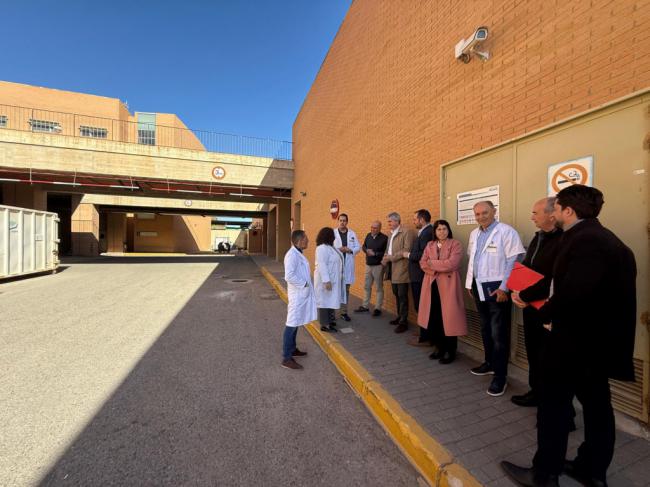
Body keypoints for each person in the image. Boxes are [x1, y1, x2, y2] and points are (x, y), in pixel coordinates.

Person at [501, 185, 637, 487]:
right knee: (598, 408)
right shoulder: (611, 241)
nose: (555, 213)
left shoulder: (584, 241)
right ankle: (590, 469)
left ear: (568, 211)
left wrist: (545, 315)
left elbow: (573, 293)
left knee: (554, 407)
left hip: (573, 345)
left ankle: (544, 474)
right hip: (597, 347)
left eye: (558, 208)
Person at [465, 200, 524, 396]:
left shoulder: (506, 231)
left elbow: (514, 261)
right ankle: (489, 363)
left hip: (497, 288)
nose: (481, 217)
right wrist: (469, 284)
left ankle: (500, 377)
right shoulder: (474, 233)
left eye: (484, 212)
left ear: (494, 211)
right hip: (478, 285)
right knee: (485, 327)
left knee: (499, 333)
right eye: (477, 214)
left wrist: (504, 288)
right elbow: (473, 259)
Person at [510, 197, 563, 407]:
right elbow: (526, 268)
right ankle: (536, 392)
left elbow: (552, 279)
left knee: (548, 357)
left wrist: (523, 295)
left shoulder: (562, 241)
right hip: (530, 306)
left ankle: (557, 407)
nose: (531, 217)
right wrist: (516, 291)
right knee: (533, 351)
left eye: (535, 213)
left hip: (548, 309)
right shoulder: (537, 238)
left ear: (552, 215)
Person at [417, 220, 468, 363]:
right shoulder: (430, 245)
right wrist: (436, 266)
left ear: (448, 230)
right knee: (435, 317)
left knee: (449, 318)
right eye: (439, 229)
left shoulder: (455, 244)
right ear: (435, 231)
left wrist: (431, 263)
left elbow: (452, 264)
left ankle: (450, 351)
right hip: (432, 285)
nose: (442, 232)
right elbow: (422, 262)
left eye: (444, 229)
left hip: (449, 286)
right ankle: (439, 348)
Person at [282, 230, 317, 370]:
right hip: (297, 296)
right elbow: (289, 276)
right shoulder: (291, 255)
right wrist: (304, 284)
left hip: (300, 295)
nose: (308, 241)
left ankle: (293, 349)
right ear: (299, 240)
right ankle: (286, 358)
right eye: (306, 239)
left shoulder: (298, 254)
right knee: (291, 324)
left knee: (296, 323)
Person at [404, 210, 434, 346]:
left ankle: (426, 336)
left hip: (421, 276)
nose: (414, 222)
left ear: (422, 219)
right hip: (417, 275)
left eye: (415, 219)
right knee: (420, 305)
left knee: (422, 306)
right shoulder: (424, 232)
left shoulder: (428, 232)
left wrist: (408, 255)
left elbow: (423, 254)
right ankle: (423, 331)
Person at [381, 212, 414, 333]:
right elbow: (388, 249)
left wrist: (392, 257)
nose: (388, 223)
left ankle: (403, 322)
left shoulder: (406, 232)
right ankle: (400, 317)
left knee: (402, 296)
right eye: (388, 221)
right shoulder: (391, 234)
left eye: (390, 221)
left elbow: (407, 249)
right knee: (396, 294)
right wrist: (385, 259)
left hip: (402, 269)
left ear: (397, 221)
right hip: (392, 268)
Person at [314, 227, 346, 333]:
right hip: (326, 282)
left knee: (331, 301)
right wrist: (326, 280)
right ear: (328, 236)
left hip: (334, 280)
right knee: (324, 302)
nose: (334, 237)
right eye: (332, 235)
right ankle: (324, 325)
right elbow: (322, 265)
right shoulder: (321, 248)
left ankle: (330, 321)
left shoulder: (332, 248)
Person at [355, 220, 388, 317]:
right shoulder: (368, 235)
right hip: (368, 265)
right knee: (366, 286)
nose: (373, 229)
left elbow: (386, 252)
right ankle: (365, 306)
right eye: (372, 227)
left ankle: (378, 308)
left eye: (375, 228)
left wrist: (375, 254)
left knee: (378, 288)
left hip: (378, 266)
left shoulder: (384, 238)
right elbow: (364, 246)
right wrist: (366, 251)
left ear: (380, 228)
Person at [334, 213, 361, 322]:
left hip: (347, 266)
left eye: (344, 220)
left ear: (347, 222)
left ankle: (343, 312)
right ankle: (332, 313)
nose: (342, 222)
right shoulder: (333, 233)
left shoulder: (352, 234)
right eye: (340, 220)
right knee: (335, 290)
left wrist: (349, 250)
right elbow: (329, 248)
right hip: (336, 266)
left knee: (346, 290)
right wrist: (339, 249)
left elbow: (358, 247)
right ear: (338, 221)